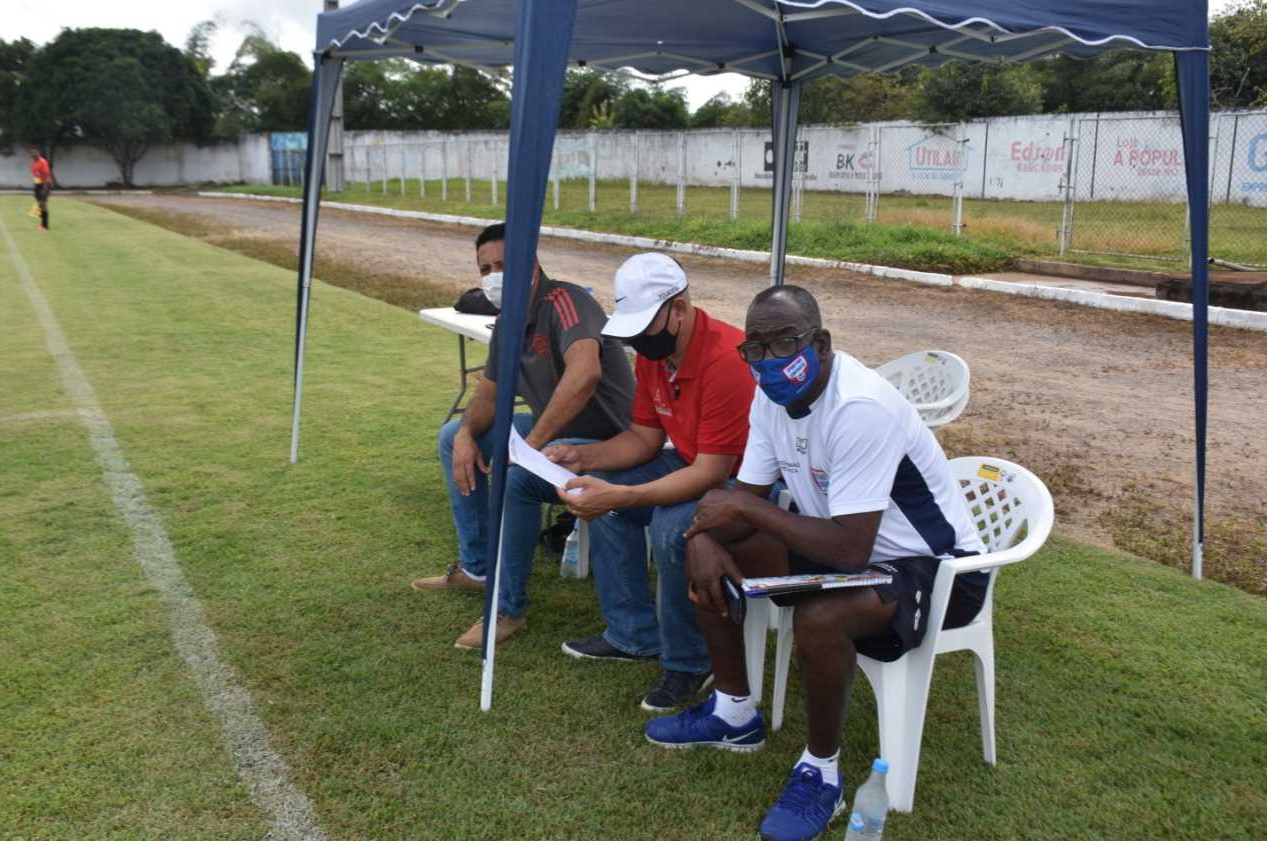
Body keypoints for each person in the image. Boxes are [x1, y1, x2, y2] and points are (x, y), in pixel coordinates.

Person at [644, 285, 985, 841]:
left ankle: (821, 773)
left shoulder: (860, 407)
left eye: (785, 344)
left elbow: (848, 549)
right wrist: (705, 537)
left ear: (821, 344)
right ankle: (734, 713)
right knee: (711, 555)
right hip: (848, 546)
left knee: (821, 617)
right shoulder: (770, 398)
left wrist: (741, 510)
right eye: (755, 348)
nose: (768, 361)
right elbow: (747, 498)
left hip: (936, 568)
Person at [412, 223, 635, 650]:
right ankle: (478, 569)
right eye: (486, 269)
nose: (494, 275)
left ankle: (507, 608)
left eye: (503, 264)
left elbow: (585, 374)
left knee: (519, 479)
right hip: (553, 434)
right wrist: (466, 435)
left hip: (607, 441)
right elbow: (489, 394)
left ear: (530, 265)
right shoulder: (507, 322)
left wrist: (529, 449)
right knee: (452, 435)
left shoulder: (567, 301)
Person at [549, 253, 755, 712]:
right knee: (598, 488)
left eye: (644, 328)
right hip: (693, 462)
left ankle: (690, 661)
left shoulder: (726, 359)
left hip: (744, 483)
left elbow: (712, 472)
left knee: (669, 525)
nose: (639, 342)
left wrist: (624, 495)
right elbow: (644, 438)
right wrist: (583, 458)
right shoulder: (655, 356)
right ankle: (633, 634)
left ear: (678, 309)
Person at [30, 147, 52, 231]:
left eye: (35, 153)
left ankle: (45, 226)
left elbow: (46, 176)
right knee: (39, 204)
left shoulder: (43, 162)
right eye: (32, 154)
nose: (33, 155)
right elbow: (35, 175)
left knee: (43, 204)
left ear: (38, 153)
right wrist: (35, 186)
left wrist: (44, 189)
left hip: (45, 184)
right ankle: (42, 222)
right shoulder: (33, 163)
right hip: (37, 184)